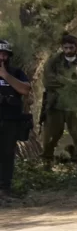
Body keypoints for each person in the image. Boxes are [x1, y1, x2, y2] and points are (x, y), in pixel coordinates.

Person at [41, 34, 77, 166]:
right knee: (51, 136)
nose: (68, 50)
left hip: (75, 105)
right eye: (65, 47)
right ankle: (47, 163)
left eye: (71, 47)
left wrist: (62, 80)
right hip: (55, 104)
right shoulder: (53, 62)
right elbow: (48, 82)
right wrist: (71, 83)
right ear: (62, 47)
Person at [0, 40, 33, 200]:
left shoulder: (16, 72)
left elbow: (25, 89)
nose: (2, 57)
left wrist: (5, 75)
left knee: (7, 155)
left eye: (4, 54)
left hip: (11, 120)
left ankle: (4, 190)